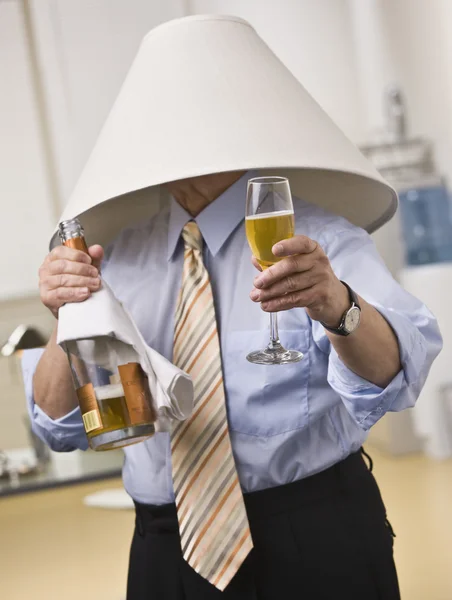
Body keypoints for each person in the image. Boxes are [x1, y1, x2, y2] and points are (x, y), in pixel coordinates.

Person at [22, 15, 441, 600]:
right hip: (164, 551)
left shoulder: (322, 239)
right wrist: (63, 315)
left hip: (316, 538)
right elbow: (59, 427)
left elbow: (398, 374)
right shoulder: (108, 259)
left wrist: (335, 304)